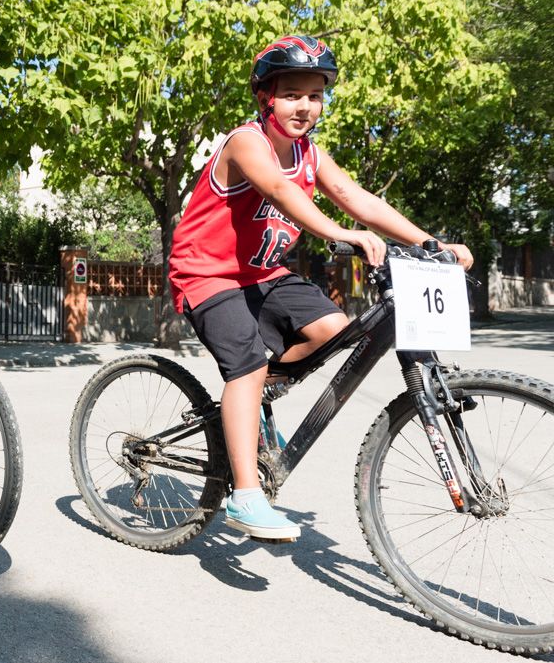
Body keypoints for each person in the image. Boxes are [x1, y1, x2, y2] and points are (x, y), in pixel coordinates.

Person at [168, 35, 474, 542]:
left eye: (315, 95)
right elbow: (280, 189)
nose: (304, 106)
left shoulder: (311, 152)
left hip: (262, 273)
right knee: (245, 363)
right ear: (266, 96)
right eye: (291, 94)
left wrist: (432, 243)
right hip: (208, 273)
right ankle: (245, 496)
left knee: (334, 329)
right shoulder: (246, 141)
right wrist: (339, 233)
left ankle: (250, 405)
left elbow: (357, 198)